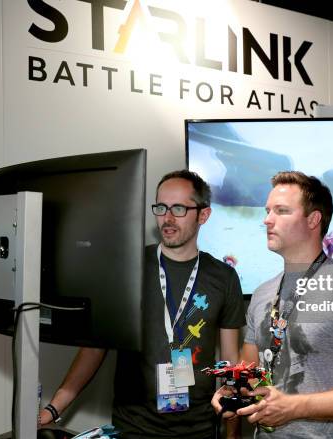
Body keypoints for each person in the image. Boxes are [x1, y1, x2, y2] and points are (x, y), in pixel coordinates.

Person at [41, 170, 246, 438]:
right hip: (133, 428)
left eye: (179, 208)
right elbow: (94, 349)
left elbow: (230, 362)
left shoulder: (224, 277)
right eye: (161, 207)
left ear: (203, 215)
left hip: (200, 429)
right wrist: (54, 409)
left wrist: (232, 434)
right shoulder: (126, 268)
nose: (168, 218)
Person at [212, 171, 333, 438]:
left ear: (313, 220)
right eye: (267, 210)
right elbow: (251, 371)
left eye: (281, 211)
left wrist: (293, 407)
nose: (267, 219)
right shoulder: (263, 294)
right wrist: (234, 392)